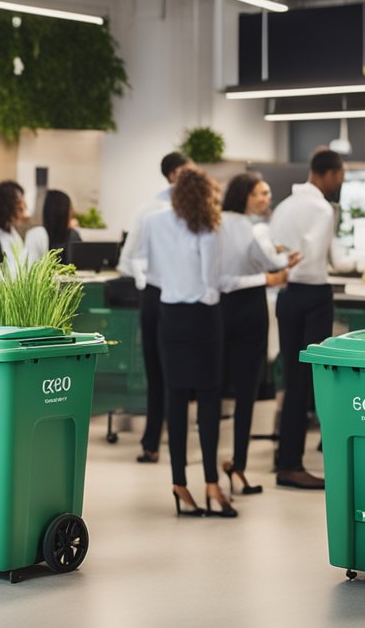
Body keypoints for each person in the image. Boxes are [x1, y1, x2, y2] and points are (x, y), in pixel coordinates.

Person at [139, 166, 234, 518]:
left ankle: (180, 483)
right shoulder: (210, 227)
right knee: (209, 401)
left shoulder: (153, 222)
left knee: (175, 400)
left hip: (170, 316)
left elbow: (153, 272)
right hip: (204, 318)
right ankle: (212, 482)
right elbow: (213, 282)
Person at [269, 149, 356, 490]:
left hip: (286, 296)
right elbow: (316, 257)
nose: (341, 182)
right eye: (342, 176)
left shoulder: (285, 206)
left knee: (294, 381)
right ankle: (292, 464)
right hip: (313, 297)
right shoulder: (322, 207)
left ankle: (287, 459)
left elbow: (277, 253)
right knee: (313, 382)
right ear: (331, 174)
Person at [217, 172, 301, 495]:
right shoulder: (251, 228)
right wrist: (283, 265)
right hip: (250, 310)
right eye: (260, 194)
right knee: (246, 392)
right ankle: (238, 465)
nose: (266, 199)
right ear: (244, 196)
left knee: (213, 392)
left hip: (219, 311)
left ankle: (213, 471)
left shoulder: (215, 223)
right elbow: (269, 265)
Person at [116, 151, 191, 464]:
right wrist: (149, 282)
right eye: (187, 171)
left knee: (172, 373)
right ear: (174, 174)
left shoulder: (193, 209)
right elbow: (128, 260)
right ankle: (155, 442)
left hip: (171, 298)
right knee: (160, 371)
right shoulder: (152, 210)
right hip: (165, 298)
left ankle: (165, 444)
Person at [23, 189, 82, 265]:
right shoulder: (72, 236)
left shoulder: (37, 235)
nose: (73, 213)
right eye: (70, 208)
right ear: (63, 212)